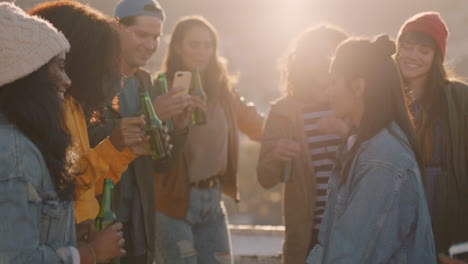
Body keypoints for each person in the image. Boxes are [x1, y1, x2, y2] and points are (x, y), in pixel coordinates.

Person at [0, 3, 121, 263]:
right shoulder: (15, 153)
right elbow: (16, 258)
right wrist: (89, 253)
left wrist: (67, 232)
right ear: (27, 73)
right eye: (58, 66)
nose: (67, 80)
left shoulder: (29, 135)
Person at [306, 35, 436, 263]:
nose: (328, 91)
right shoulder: (363, 145)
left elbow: (350, 254)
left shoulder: (382, 158)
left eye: (333, 81)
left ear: (358, 86)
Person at [86, 0, 198, 263]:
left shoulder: (147, 84)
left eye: (156, 37)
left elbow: (162, 163)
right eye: (142, 34)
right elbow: (84, 145)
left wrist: (180, 127)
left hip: (140, 231)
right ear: (116, 29)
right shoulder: (91, 82)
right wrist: (150, 116)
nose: (150, 45)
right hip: (99, 225)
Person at [154, 16, 264, 264]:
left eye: (208, 45)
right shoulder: (162, 90)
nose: (202, 52)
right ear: (178, 47)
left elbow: (257, 126)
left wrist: (292, 126)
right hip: (172, 202)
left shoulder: (222, 91)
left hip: (213, 200)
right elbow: (154, 147)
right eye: (194, 45)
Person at [257, 25, 348, 264]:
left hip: (352, 229)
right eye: (318, 55)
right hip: (307, 235)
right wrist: (276, 155)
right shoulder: (283, 112)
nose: (325, 63)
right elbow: (265, 177)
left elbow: (378, 158)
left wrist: (346, 132)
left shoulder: (356, 106)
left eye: (333, 55)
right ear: (303, 62)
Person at [395, 12, 468, 263]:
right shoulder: (385, 100)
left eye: (424, 51)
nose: (413, 56)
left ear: (436, 57)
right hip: (397, 213)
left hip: (445, 213)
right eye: (408, 47)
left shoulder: (458, 99)